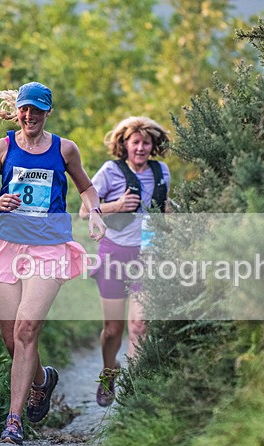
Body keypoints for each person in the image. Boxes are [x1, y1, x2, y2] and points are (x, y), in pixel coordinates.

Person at [0, 82, 107, 444]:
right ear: (18, 111)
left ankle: (13, 422)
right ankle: (42, 381)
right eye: (24, 109)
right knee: (11, 339)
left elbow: (87, 188)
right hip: (8, 246)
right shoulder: (2, 147)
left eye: (37, 110)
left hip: (49, 248)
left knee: (26, 330)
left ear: (48, 112)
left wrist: (95, 212)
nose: (29, 116)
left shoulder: (65, 149)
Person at [80, 116, 171, 407]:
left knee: (140, 325)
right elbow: (85, 212)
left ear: (153, 146)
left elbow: (164, 210)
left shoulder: (162, 171)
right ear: (125, 144)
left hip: (149, 254)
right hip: (114, 253)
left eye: (147, 143)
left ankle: (134, 390)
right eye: (136, 142)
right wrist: (117, 205)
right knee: (112, 330)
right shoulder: (110, 171)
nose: (141, 148)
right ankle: (109, 372)